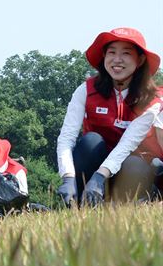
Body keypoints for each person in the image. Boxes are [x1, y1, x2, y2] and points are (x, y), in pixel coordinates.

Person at [56, 27, 163, 206]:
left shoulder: (153, 99)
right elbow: (66, 138)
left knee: (134, 164)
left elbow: (128, 143)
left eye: (126, 53)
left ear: (141, 59)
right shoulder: (86, 90)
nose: (117, 60)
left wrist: (99, 177)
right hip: (95, 166)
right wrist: (67, 177)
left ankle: (128, 205)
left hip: (131, 168)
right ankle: (81, 203)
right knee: (90, 142)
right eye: (111, 52)